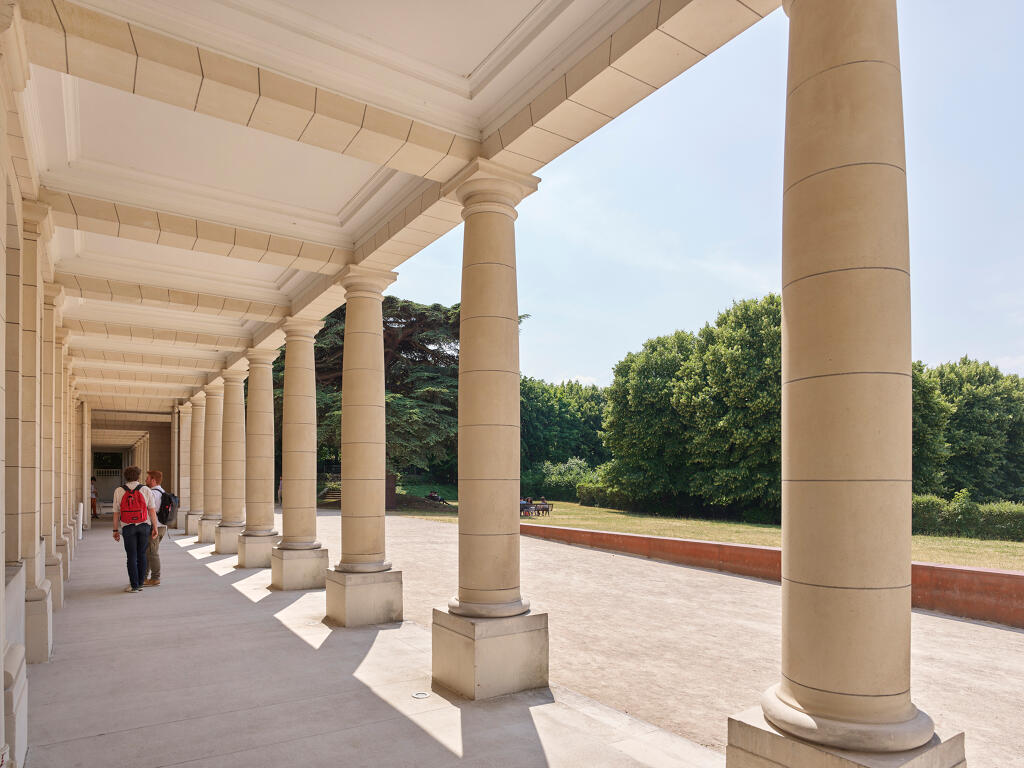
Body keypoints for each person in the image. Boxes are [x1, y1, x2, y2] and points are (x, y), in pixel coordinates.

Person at [112, 466, 158, 593]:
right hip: (144, 525)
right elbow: (152, 510)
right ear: (138, 476)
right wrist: (155, 527)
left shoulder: (119, 491)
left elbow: (116, 513)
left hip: (128, 526)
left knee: (131, 556)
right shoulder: (146, 489)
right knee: (142, 554)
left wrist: (115, 530)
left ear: (125, 477)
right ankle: (141, 583)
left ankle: (134, 585)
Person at [144, 470, 173, 587]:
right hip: (162, 527)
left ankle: (155, 578)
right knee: (149, 552)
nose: (145, 480)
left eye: (147, 478)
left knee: (152, 552)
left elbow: (149, 510)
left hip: (155, 527)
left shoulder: (153, 494)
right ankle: (144, 577)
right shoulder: (162, 491)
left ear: (153, 480)